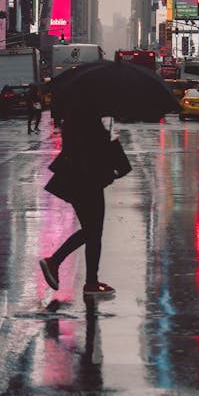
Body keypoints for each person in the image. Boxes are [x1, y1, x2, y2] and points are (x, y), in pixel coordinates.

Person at [39, 111, 120, 298]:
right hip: (86, 179)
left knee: (93, 230)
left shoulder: (75, 114)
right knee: (93, 229)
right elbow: (93, 145)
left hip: (82, 177)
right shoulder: (85, 116)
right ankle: (55, 261)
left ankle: (91, 281)